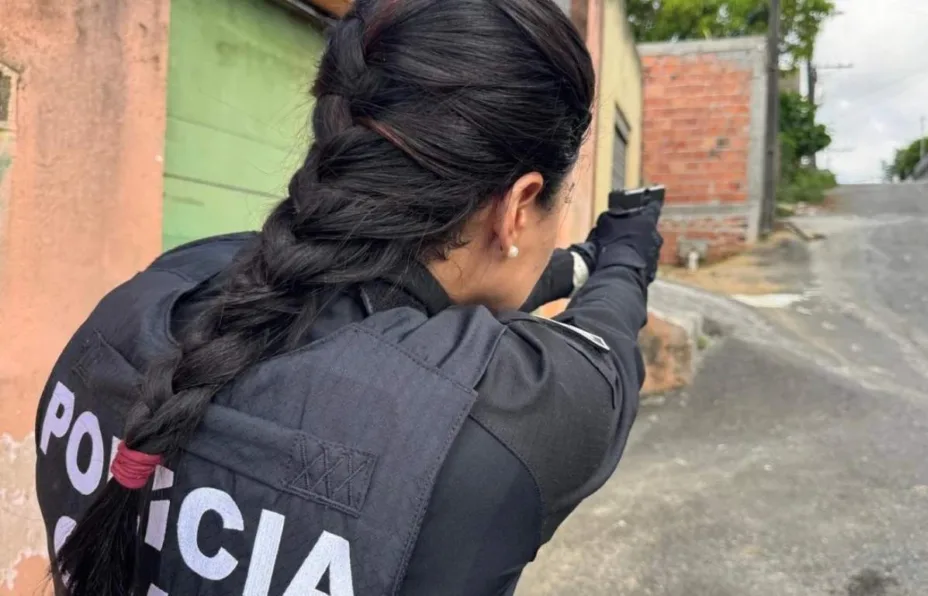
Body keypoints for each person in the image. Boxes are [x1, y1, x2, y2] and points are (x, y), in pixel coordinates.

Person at [33, 0, 663, 593]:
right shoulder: (502, 418)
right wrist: (626, 251)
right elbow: (604, 338)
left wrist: (575, 264)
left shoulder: (162, 285)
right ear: (521, 205)